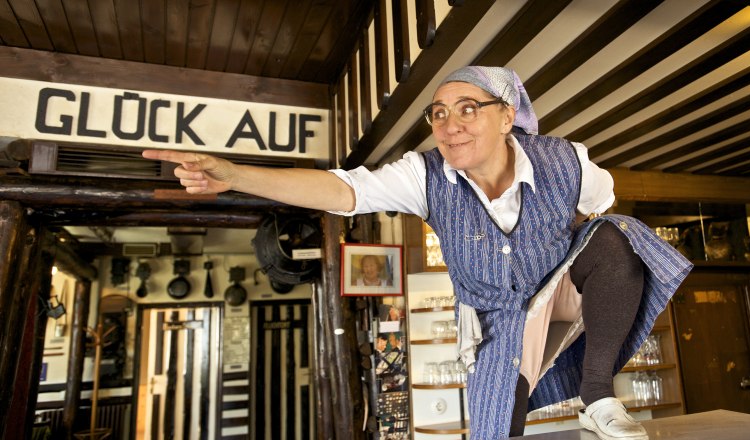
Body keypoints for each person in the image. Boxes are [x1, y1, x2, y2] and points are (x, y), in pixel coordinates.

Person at [143, 66, 692, 440]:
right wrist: (235, 174)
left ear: (507, 116)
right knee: (496, 427)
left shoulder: (566, 161)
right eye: (438, 113)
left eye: (468, 109)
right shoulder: (423, 175)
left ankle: (597, 396)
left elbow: (602, 203)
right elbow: (341, 191)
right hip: (497, 324)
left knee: (620, 236)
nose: (449, 126)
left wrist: (560, 245)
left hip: (558, 289)